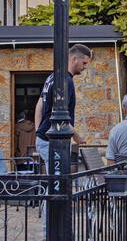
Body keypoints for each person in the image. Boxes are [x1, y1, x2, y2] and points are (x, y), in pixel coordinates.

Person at [34, 44, 93, 172]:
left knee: (56, 181)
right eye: (84, 63)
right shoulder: (66, 81)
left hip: (45, 138)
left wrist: (38, 131)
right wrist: (77, 136)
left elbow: (40, 104)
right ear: (74, 59)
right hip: (53, 141)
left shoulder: (52, 77)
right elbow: (59, 115)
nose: (85, 67)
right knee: (57, 182)